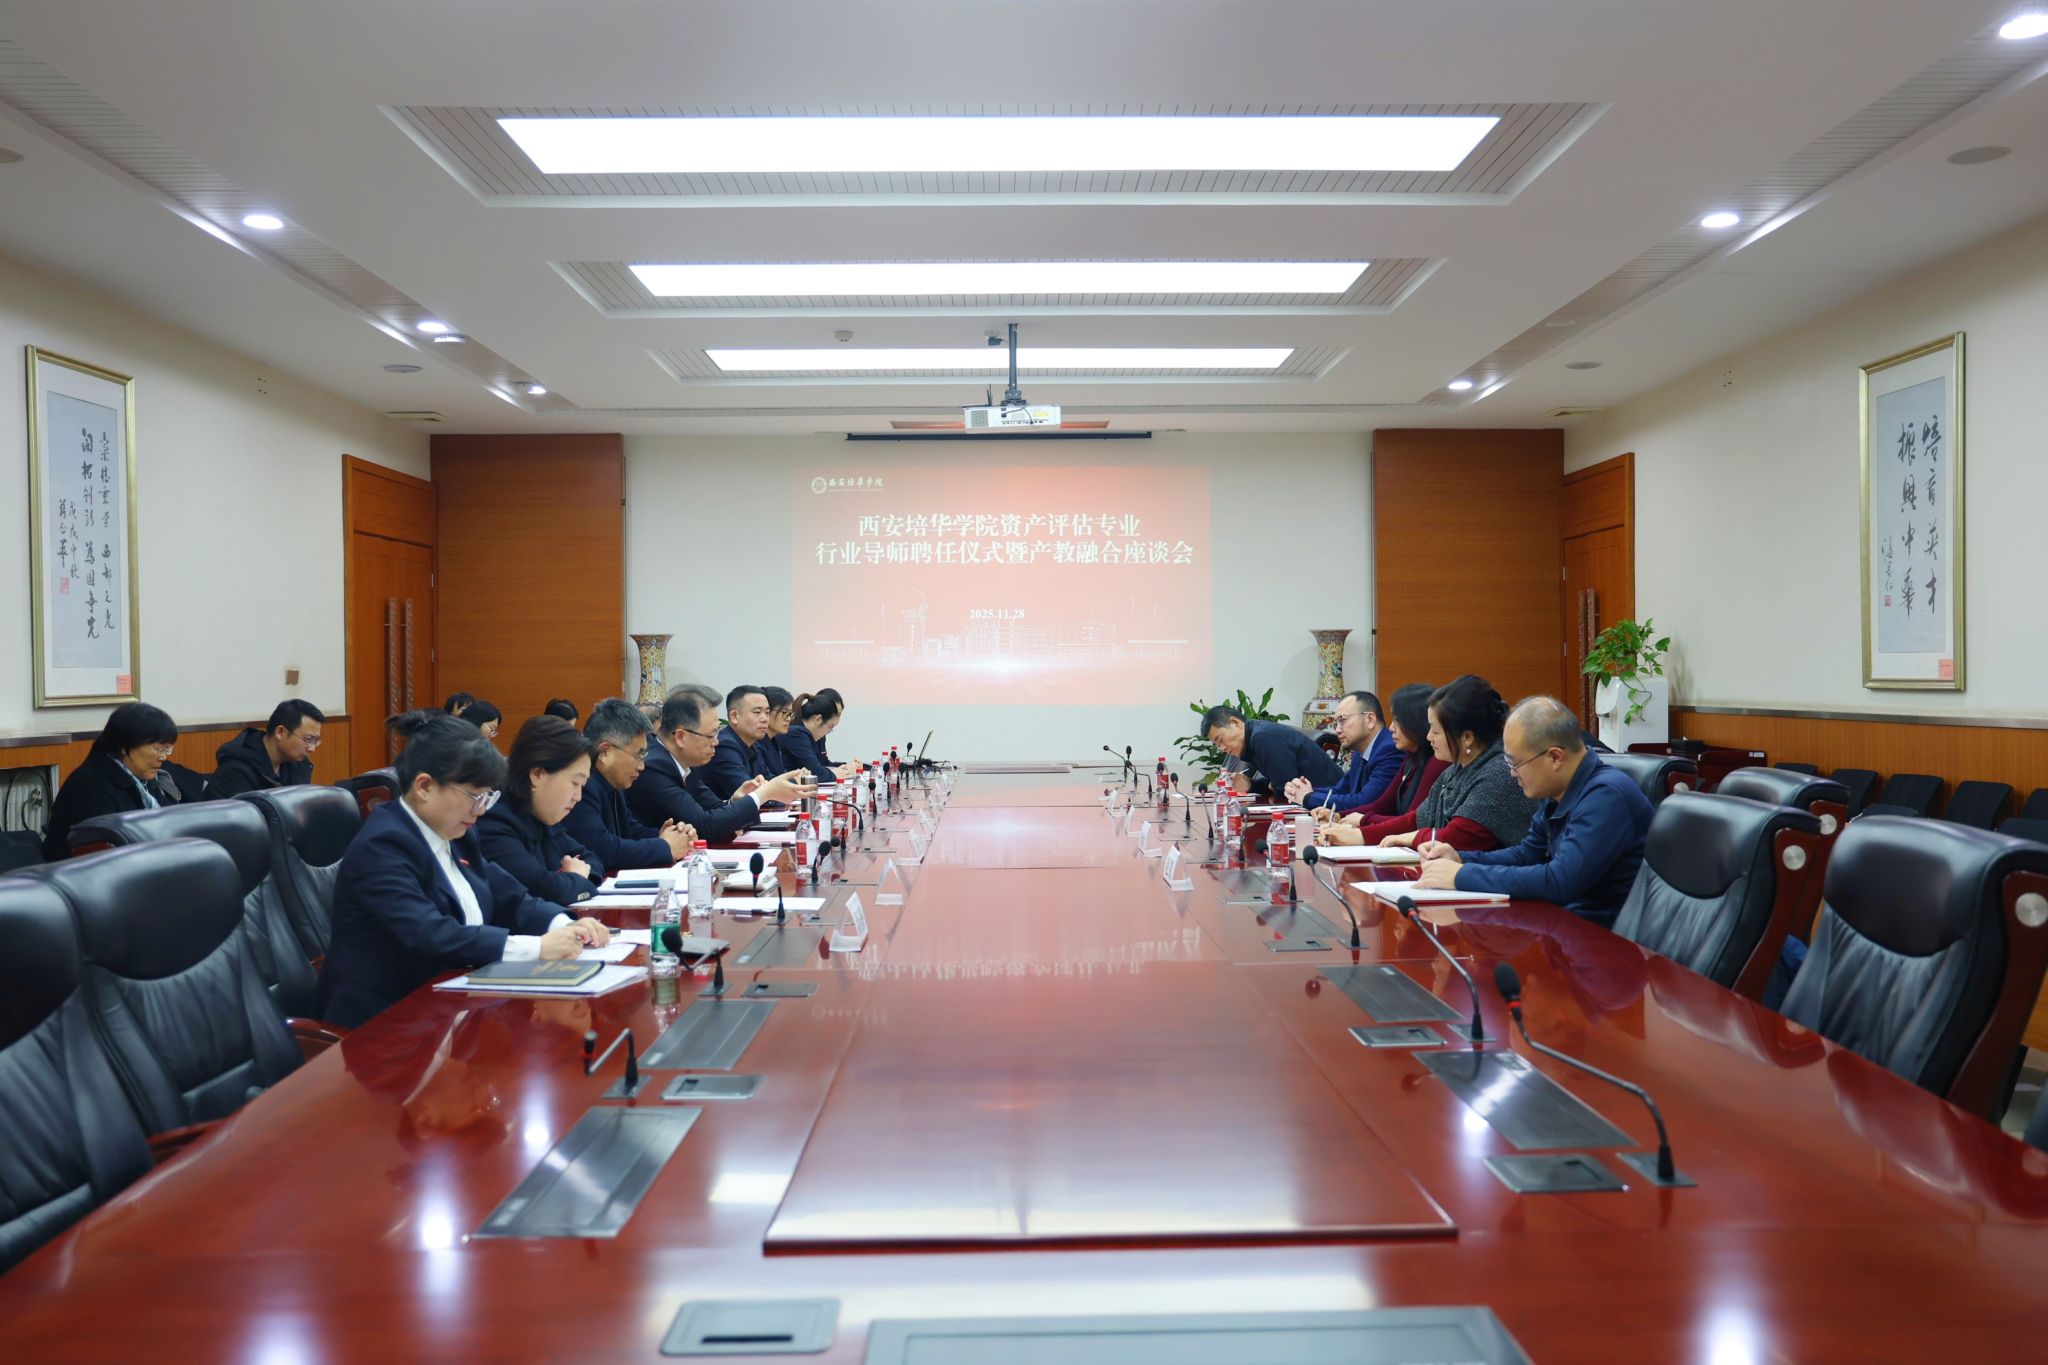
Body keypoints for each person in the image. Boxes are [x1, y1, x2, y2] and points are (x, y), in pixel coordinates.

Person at [319, 710, 608, 1029]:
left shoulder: (457, 833)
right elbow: (430, 933)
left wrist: (564, 925)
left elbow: (511, 897)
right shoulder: (383, 846)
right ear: (425, 786)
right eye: (474, 796)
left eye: (487, 797)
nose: (480, 810)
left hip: (453, 1006)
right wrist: (537, 948)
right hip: (387, 1023)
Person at [1412, 696, 1654, 925]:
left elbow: (1561, 882)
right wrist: (1460, 858)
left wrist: (1461, 876)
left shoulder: (1606, 796)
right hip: (1561, 925)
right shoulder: (1557, 791)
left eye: (1516, 763)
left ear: (1555, 757)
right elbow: (1526, 855)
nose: (1512, 773)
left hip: (1601, 938)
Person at [1317, 674, 1534, 853]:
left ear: (1467, 737)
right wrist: (1361, 834)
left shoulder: (1497, 773)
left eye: (1436, 731)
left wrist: (1398, 837)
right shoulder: (1456, 770)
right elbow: (1417, 818)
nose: (1429, 737)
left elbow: (1457, 838)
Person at [629, 694, 810, 842]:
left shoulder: (686, 760)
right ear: (681, 737)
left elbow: (712, 808)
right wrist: (763, 794)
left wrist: (733, 802)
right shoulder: (653, 766)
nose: (716, 742)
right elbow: (705, 826)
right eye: (711, 735)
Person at [475, 715, 604, 906]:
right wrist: (576, 879)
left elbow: (591, 860)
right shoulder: (494, 818)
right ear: (537, 774)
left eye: (582, 786)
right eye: (575, 783)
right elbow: (543, 889)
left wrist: (572, 880)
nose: (578, 797)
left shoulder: (541, 813)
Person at [563, 698, 696, 870]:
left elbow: (629, 830)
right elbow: (602, 849)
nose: (641, 766)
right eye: (638, 756)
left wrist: (669, 836)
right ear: (605, 752)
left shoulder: (611, 780)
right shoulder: (582, 785)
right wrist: (665, 847)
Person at [40, 702, 183, 860]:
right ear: (124, 745)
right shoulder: (90, 787)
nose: (163, 757)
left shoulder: (141, 776)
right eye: (158, 749)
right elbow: (102, 853)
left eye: (167, 749)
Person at [1324, 683, 1446, 827]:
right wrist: (1337, 815)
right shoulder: (1410, 759)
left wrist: (1362, 821)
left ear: (1417, 722)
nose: (1391, 727)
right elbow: (1382, 805)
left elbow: (1412, 822)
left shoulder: (1437, 762)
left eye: (1397, 720)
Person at [1286, 691, 1402, 816]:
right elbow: (1341, 790)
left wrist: (1308, 797)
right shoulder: (1359, 753)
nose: (1337, 730)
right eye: (1336, 724)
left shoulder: (1390, 749)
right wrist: (1302, 790)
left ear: (1370, 719)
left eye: (1342, 720)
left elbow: (1365, 802)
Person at [1201, 704, 1343, 797]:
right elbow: (1279, 784)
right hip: (1314, 800)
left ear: (1235, 723)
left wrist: (1272, 786)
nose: (1222, 748)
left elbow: (1285, 790)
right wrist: (1250, 785)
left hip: (1332, 801)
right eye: (1217, 745)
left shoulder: (1262, 737)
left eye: (1220, 740)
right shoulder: (1252, 737)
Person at [206, 699, 325, 799]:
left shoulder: (297, 765)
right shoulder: (236, 771)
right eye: (308, 739)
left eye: (315, 741)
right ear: (280, 732)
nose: (312, 748)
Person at [702, 685, 780, 800]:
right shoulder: (724, 746)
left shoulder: (752, 744)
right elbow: (750, 794)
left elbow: (769, 779)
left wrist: (795, 779)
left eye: (767, 712)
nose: (764, 719)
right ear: (734, 716)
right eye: (757, 712)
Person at [782, 689, 856, 783]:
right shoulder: (797, 733)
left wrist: (845, 768)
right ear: (818, 720)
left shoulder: (811, 733)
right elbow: (817, 773)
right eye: (829, 727)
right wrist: (838, 774)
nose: (828, 732)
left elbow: (822, 764)